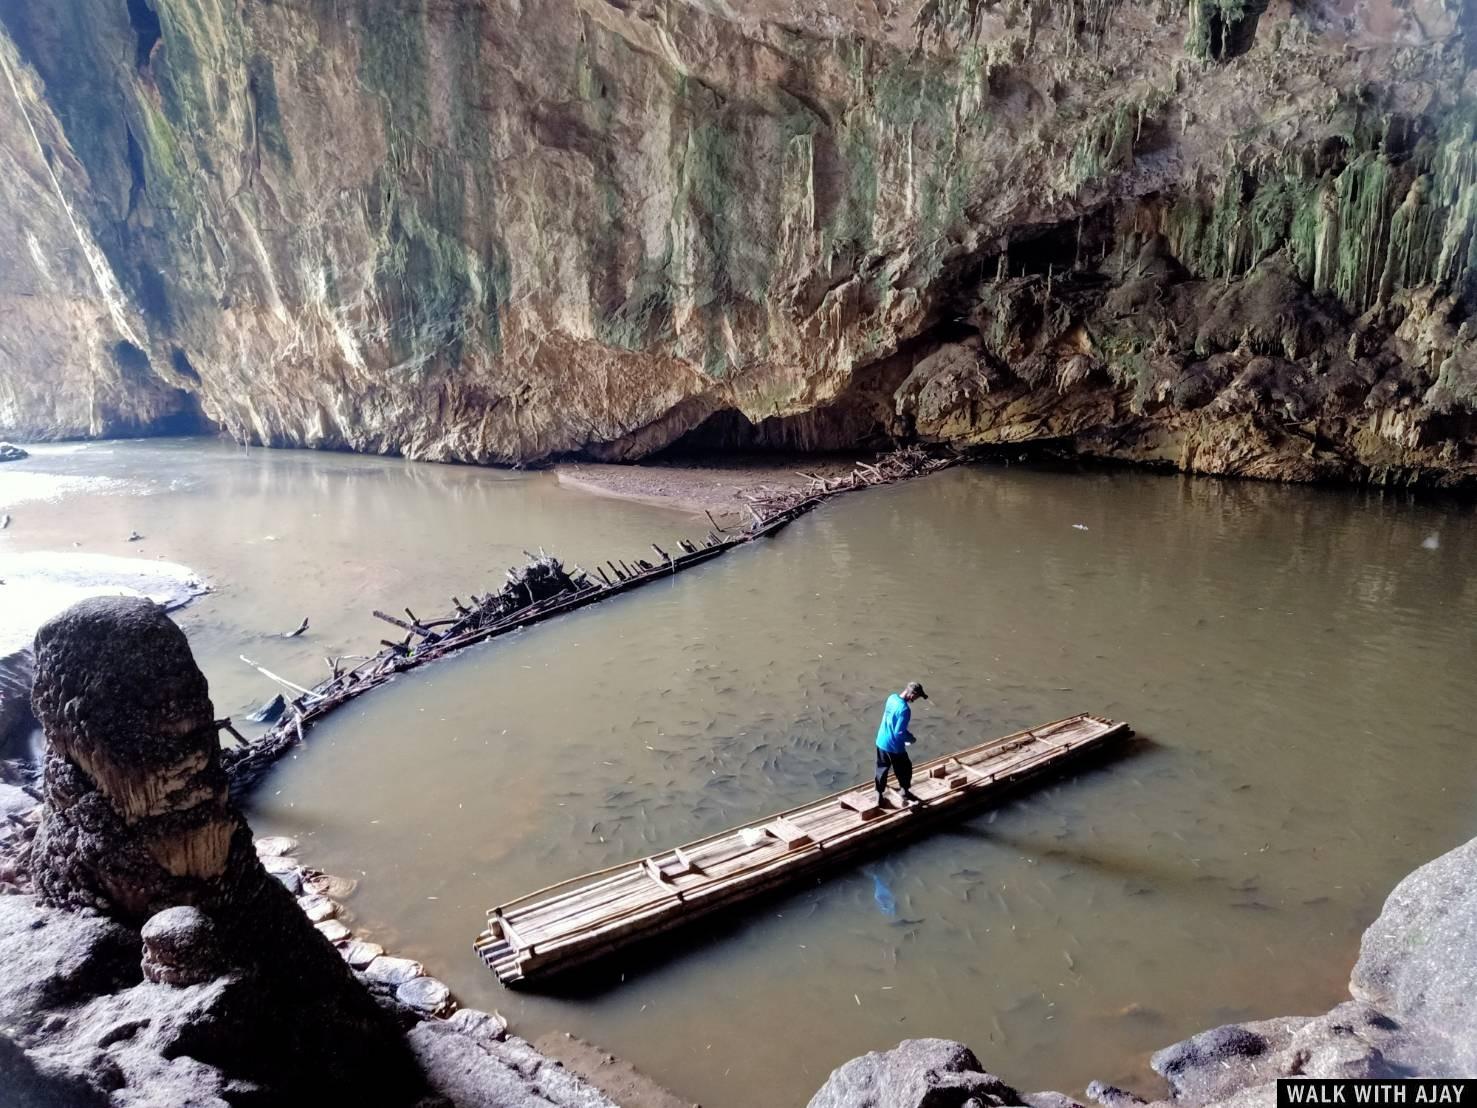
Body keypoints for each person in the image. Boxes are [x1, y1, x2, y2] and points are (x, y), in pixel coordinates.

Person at [875, 681, 927, 805]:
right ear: (912, 694)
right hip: (894, 746)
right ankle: (904, 791)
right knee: (905, 769)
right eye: (917, 697)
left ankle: (879, 794)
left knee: (881, 768)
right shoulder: (904, 709)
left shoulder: (891, 698)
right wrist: (911, 738)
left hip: (881, 741)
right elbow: (899, 732)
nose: (915, 700)